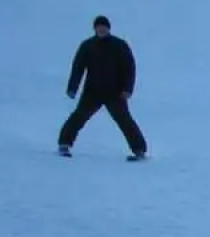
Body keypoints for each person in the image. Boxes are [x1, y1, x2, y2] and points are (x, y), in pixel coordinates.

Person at [57, 15, 149, 160]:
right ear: (95, 28)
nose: (101, 29)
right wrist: (72, 87)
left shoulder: (119, 45)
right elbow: (78, 67)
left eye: (104, 27)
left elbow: (129, 68)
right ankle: (64, 144)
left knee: (124, 120)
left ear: (108, 28)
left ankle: (139, 150)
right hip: (92, 91)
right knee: (79, 116)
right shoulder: (87, 46)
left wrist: (127, 89)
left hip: (115, 92)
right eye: (99, 27)